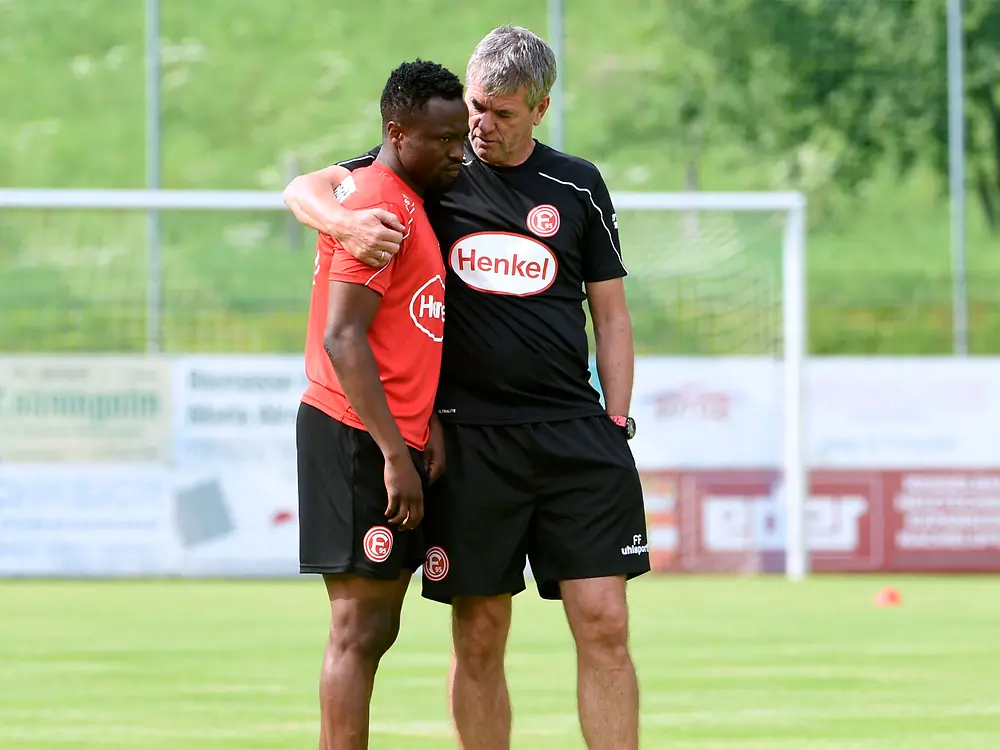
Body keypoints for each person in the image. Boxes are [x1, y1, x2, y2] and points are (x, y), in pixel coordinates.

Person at [285, 27, 648, 750]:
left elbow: (610, 313)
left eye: (501, 113)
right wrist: (343, 224)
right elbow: (307, 188)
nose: (479, 128)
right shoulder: (435, 170)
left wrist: (616, 416)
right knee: (479, 632)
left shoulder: (577, 185)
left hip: (575, 434)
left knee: (606, 624)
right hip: (473, 441)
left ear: (539, 111)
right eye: (476, 107)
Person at [295, 59, 467, 750]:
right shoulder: (377, 203)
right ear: (397, 133)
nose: (459, 151)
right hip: (354, 432)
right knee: (357, 629)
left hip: (392, 433)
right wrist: (395, 453)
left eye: (462, 136)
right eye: (444, 138)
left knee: (377, 627)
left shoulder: (408, 198)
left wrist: (426, 429)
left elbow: (410, 331)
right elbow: (343, 337)